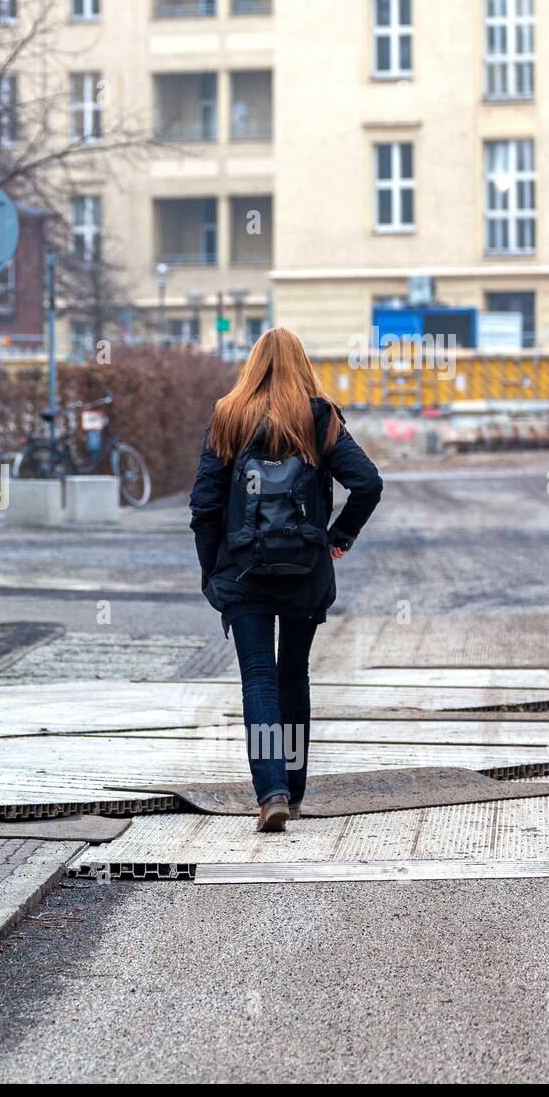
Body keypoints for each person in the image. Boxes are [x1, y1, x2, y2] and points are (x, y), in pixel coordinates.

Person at [189, 328, 383, 832]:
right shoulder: (318, 416)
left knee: (258, 679)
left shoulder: (228, 415)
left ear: (253, 365)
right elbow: (368, 483)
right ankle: (293, 791)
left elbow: (204, 506)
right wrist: (337, 537)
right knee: (293, 674)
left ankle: (270, 790)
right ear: (302, 364)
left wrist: (213, 572)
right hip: (304, 569)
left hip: (243, 569)